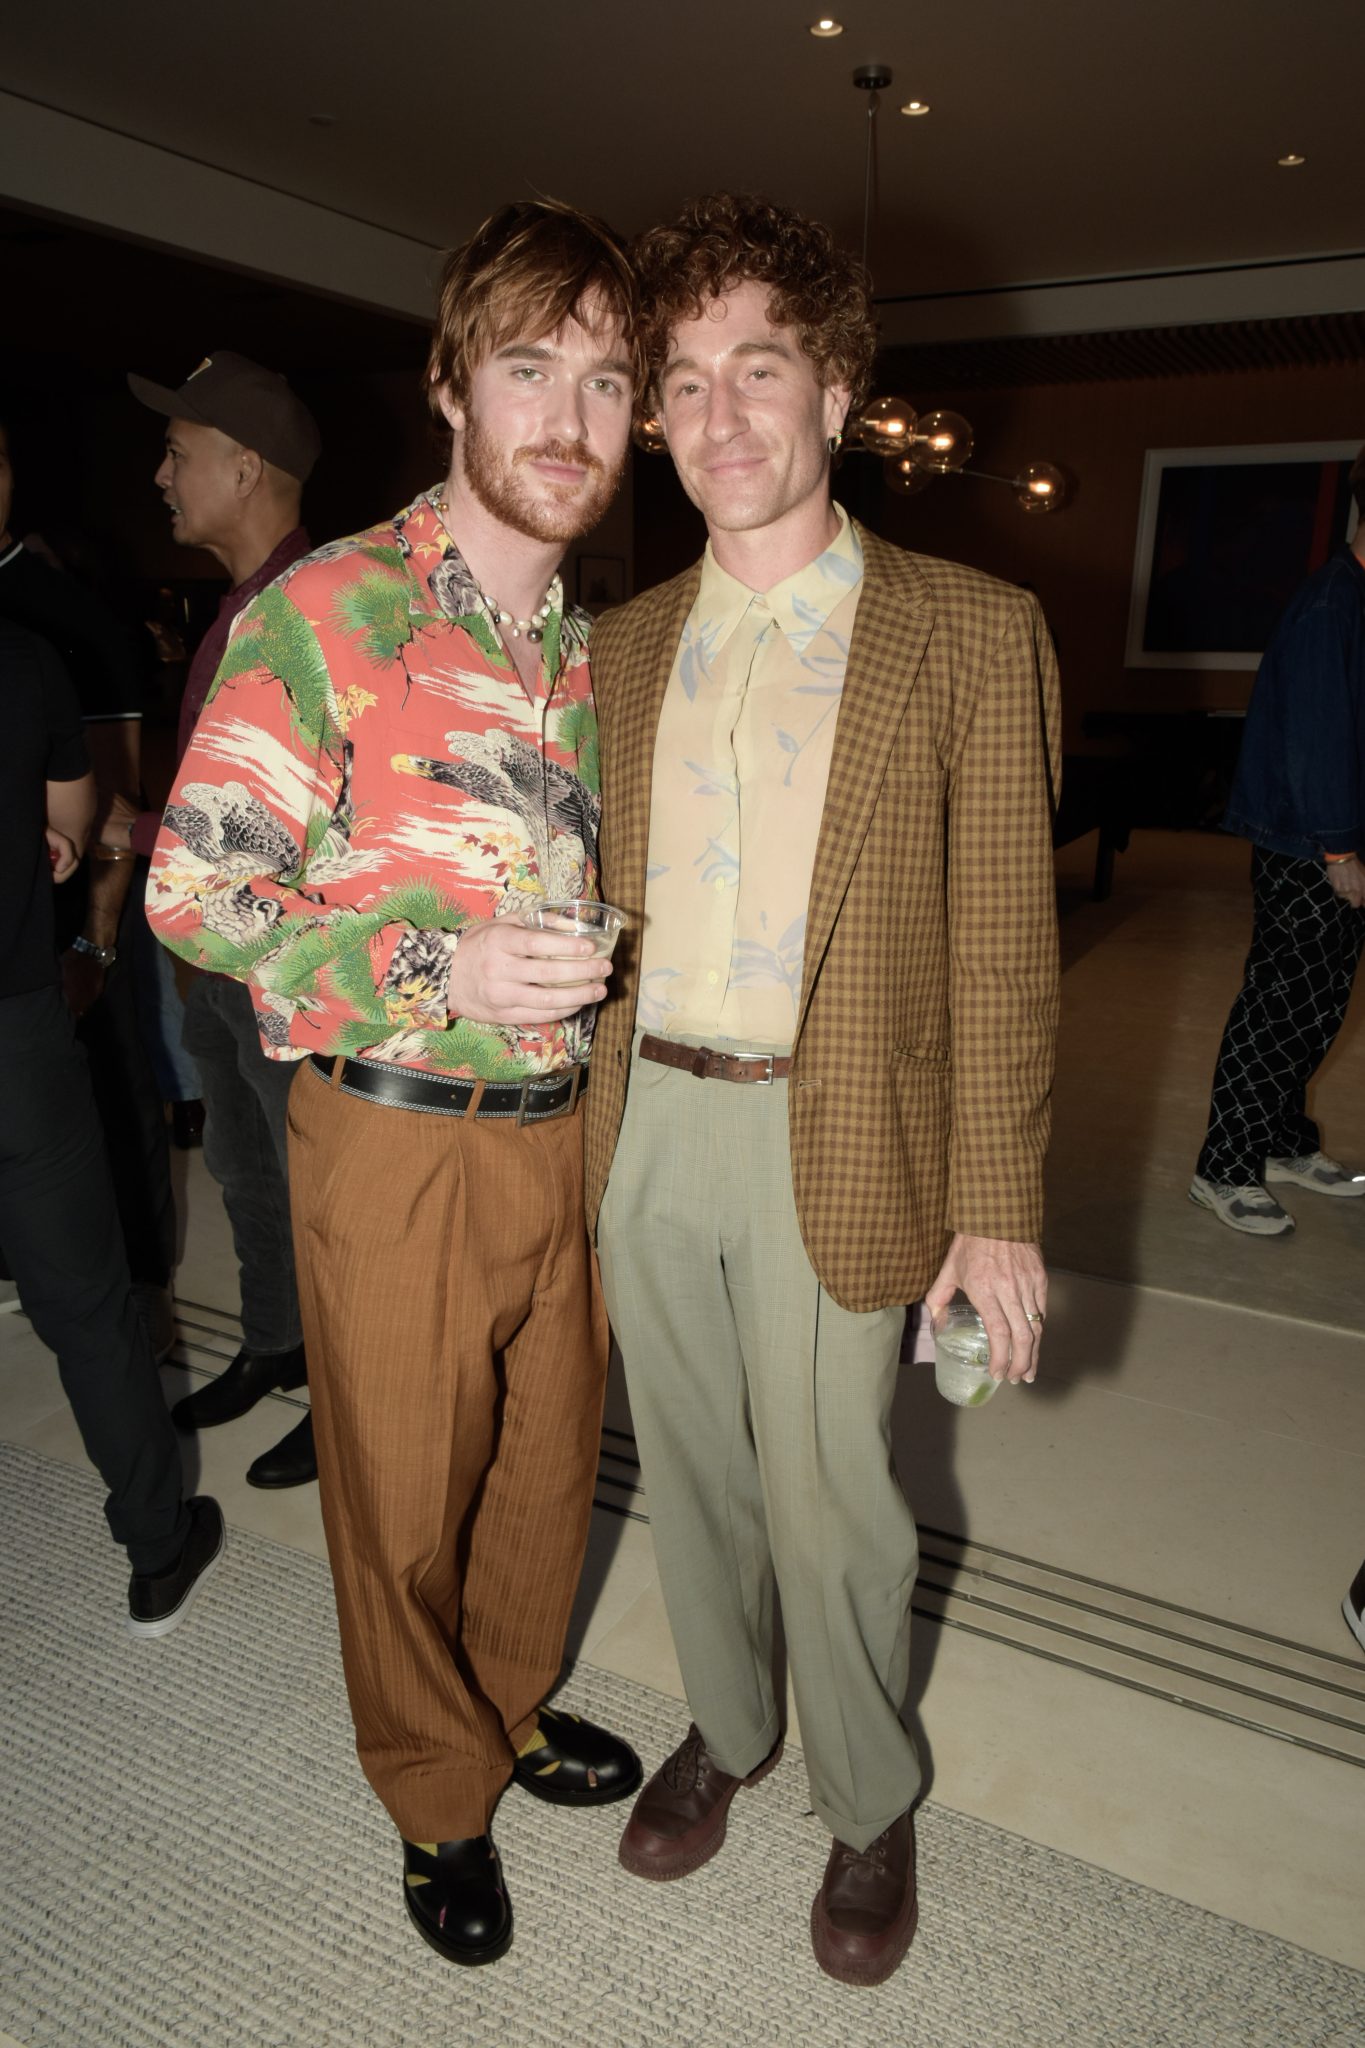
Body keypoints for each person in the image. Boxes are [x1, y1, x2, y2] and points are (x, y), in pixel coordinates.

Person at [146, 200, 643, 1965]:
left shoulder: (584, 646)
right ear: (450, 385)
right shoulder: (332, 606)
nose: (570, 417)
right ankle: (436, 1790)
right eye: (530, 367)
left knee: (542, 1473)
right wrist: (440, 969)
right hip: (395, 1133)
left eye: (607, 380)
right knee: (407, 1492)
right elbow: (194, 891)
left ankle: (503, 1702)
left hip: (558, 1136)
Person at [583, 192, 1061, 1987]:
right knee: (687, 1466)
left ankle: (867, 1794)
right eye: (682, 381)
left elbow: (1007, 947)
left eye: (758, 368)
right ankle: (729, 1722)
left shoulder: (971, 628)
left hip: (841, 1117)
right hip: (645, 1120)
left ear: (839, 391)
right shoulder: (618, 645)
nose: (719, 415)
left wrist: (997, 1208)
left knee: (832, 1496)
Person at [109, 354, 322, 1484]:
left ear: (244, 469)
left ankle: (345, 1392)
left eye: (177, 453)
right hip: (219, 956)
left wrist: (134, 829)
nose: (160, 475)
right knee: (242, 1169)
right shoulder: (240, 606)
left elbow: (273, 824)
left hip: (285, 964)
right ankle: (275, 1340)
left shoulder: (309, 610)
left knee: (311, 1188)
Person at [0, 616, 223, 1635]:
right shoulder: (19, 653)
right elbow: (71, 820)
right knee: (88, 1301)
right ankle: (157, 1548)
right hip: (13, 1031)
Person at [0, 414, 177, 1359]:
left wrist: (96, 942)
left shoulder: (59, 617)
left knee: (113, 1090)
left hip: (65, 933)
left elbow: (113, 804)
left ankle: (138, 1301)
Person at [1189, 446, 1365, 1236]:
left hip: (1331, 836)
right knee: (1278, 1006)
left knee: (1317, 1006)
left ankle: (1283, 1141)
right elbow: (1317, 739)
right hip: (1308, 845)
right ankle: (1223, 1167)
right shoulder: (1333, 603)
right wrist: (1339, 851)